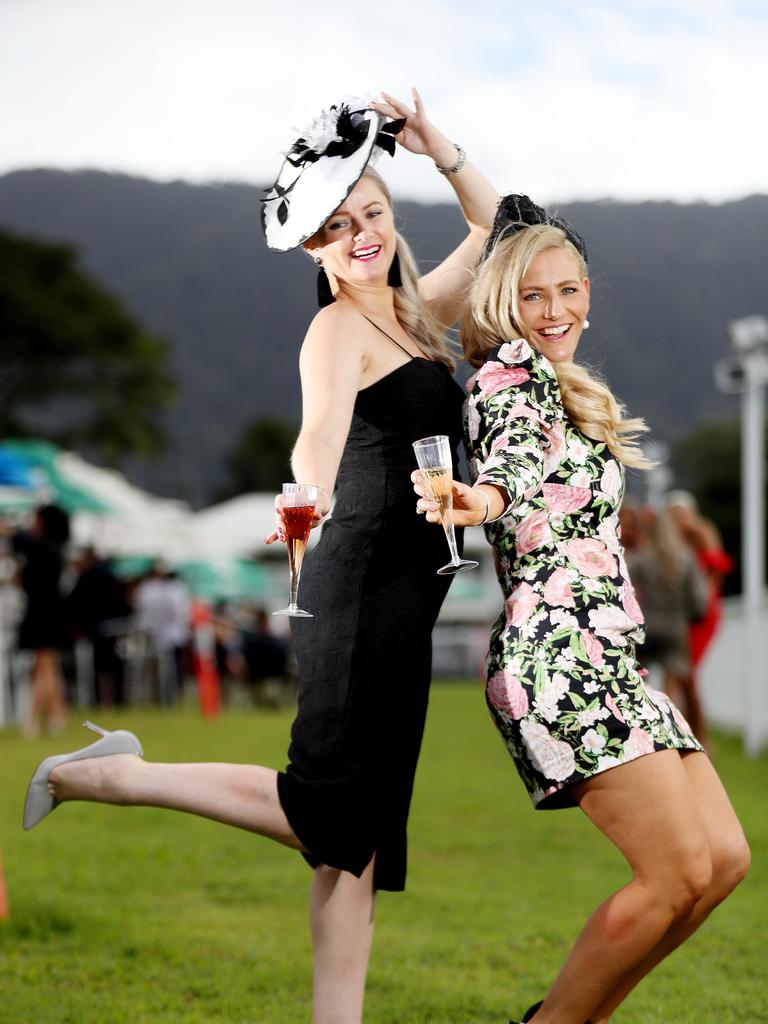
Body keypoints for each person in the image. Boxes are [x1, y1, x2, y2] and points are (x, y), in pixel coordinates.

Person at [23, 90, 498, 1024]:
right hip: (356, 591)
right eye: (335, 227)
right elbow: (316, 436)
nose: (359, 234)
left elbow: (492, 221)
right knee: (326, 813)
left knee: (350, 844)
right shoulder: (337, 331)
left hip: (411, 599)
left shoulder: (418, 312)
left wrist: (438, 145)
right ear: (312, 249)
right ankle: (108, 776)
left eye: (369, 211)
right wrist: (305, 494)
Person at [413, 195, 750, 1024]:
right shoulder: (508, 377)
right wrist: (482, 496)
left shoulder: (566, 384)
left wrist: (449, 156)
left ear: (588, 292)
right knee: (673, 873)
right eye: (532, 295)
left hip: (609, 655)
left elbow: (507, 212)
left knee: (723, 861)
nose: (553, 310)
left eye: (567, 291)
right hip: (556, 656)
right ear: (504, 303)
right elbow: (514, 466)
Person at [623, 504, 710, 745]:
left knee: (641, 680)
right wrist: (693, 615)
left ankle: (643, 732)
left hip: (648, 625)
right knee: (672, 683)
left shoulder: (642, 557)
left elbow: (625, 585)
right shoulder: (686, 558)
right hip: (675, 627)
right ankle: (670, 733)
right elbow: (699, 599)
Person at [10, 504, 71, 737]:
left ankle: (33, 718)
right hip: (48, 611)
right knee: (48, 666)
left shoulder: (44, 547)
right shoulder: (53, 547)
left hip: (43, 613)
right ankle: (58, 715)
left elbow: (21, 540)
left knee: (44, 666)